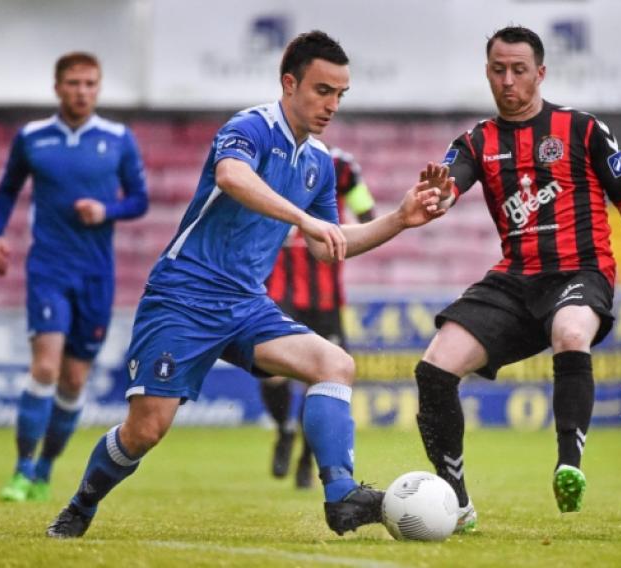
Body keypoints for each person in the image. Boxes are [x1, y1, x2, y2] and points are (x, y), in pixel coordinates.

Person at [46, 30, 448, 539]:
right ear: (289, 82)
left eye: (340, 94)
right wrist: (303, 220)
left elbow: (326, 245)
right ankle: (81, 505)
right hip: (182, 298)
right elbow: (233, 177)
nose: (332, 105)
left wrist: (400, 218)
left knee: (335, 364)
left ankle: (340, 494)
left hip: (246, 305)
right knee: (145, 430)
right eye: (322, 90)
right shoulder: (250, 127)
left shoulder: (319, 162)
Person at [413, 26, 621, 532]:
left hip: (581, 271)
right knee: (434, 369)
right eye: (498, 70)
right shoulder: (474, 141)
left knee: (571, 333)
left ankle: (568, 464)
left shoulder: (583, 129)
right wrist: (437, 198)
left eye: (519, 70)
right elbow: (448, 187)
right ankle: (456, 502)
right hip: (514, 279)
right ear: (488, 72)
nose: (508, 81)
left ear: (541, 73)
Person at [0, 52, 149, 503]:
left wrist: (107, 211)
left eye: (90, 83)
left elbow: (139, 200)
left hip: (96, 274)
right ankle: (20, 470)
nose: (82, 91)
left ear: (98, 89)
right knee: (44, 366)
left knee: (74, 380)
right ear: (58, 87)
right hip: (49, 268)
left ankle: (43, 470)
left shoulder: (118, 139)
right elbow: (6, 190)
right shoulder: (33, 138)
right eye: (74, 83)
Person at [262, 147, 375, 489]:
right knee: (271, 374)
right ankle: (284, 429)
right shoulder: (270, 159)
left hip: (326, 299)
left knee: (323, 379)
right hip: (281, 291)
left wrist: (340, 229)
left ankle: (306, 461)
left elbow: (367, 212)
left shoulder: (343, 166)